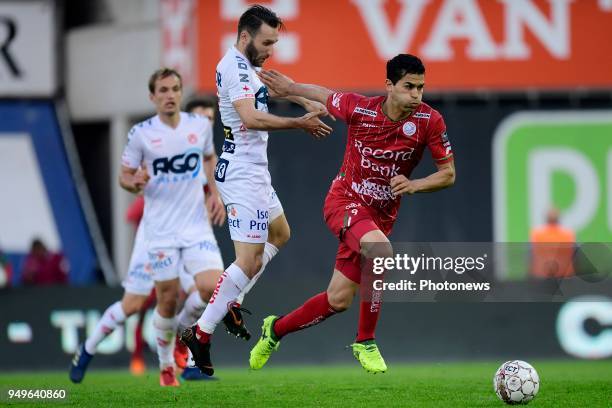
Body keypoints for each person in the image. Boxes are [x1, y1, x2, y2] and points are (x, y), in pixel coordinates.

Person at [248, 54, 456, 374]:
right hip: (344, 201)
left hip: (378, 219)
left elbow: (448, 174)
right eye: (409, 87)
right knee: (381, 250)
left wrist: (415, 185)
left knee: (338, 300)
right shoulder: (361, 108)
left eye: (421, 88)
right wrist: (290, 88)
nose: (416, 94)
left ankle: (274, 330)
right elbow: (325, 95)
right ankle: (365, 341)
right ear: (389, 86)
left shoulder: (430, 121)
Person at [180, 4, 333, 376]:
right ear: (245, 36)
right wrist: (299, 122)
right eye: (267, 42)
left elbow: (268, 85)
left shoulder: (246, 65)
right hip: (242, 176)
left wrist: (302, 98)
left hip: (256, 173)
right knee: (246, 261)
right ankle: (200, 333)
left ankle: (232, 299)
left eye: (275, 43)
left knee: (280, 233)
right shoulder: (235, 67)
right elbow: (250, 117)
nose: (271, 50)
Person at [70, 68, 225, 387]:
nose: (170, 95)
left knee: (213, 288)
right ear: (153, 97)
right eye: (163, 90)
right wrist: (133, 182)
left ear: (181, 94)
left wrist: (216, 194)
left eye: (175, 89)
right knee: (141, 303)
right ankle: (88, 350)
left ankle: (183, 343)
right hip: (157, 233)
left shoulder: (199, 129)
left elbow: (210, 159)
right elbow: (124, 176)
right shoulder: (142, 134)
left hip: (194, 229)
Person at [529, 208, 576, 278]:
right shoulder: (568, 234)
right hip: (564, 276)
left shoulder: (537, 234)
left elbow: (531, 256)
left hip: (542, 275)